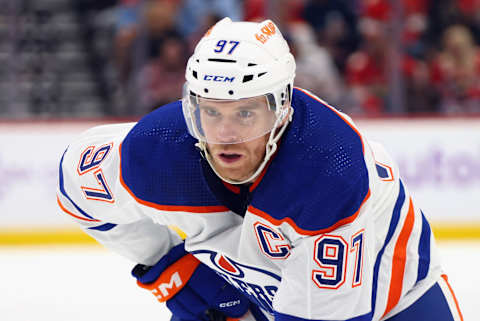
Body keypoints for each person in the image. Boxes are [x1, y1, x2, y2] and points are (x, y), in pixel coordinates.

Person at [57, 18, 463, 321]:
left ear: (280, 107)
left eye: (245, 112)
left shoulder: (329, 175)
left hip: (399, 302)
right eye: (211, 112)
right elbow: (76, 185)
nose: (225, 134)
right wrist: (168, 264)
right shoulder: (159, 150)